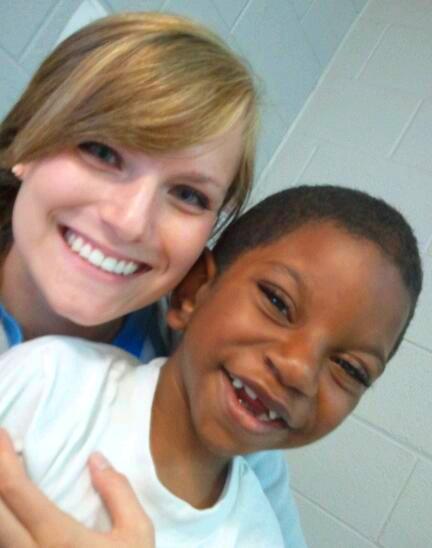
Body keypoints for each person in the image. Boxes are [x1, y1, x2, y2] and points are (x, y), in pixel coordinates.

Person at [0, 11, 307, 548]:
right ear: (29, 139)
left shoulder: (213, 393)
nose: (129, 222)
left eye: (188, 194)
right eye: (102, 151)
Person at [0, 185, 422, 546]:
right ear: (194, 291)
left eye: (351, 369)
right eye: (277, 303)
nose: (299, 370)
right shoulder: (49, 380)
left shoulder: (257, 537)